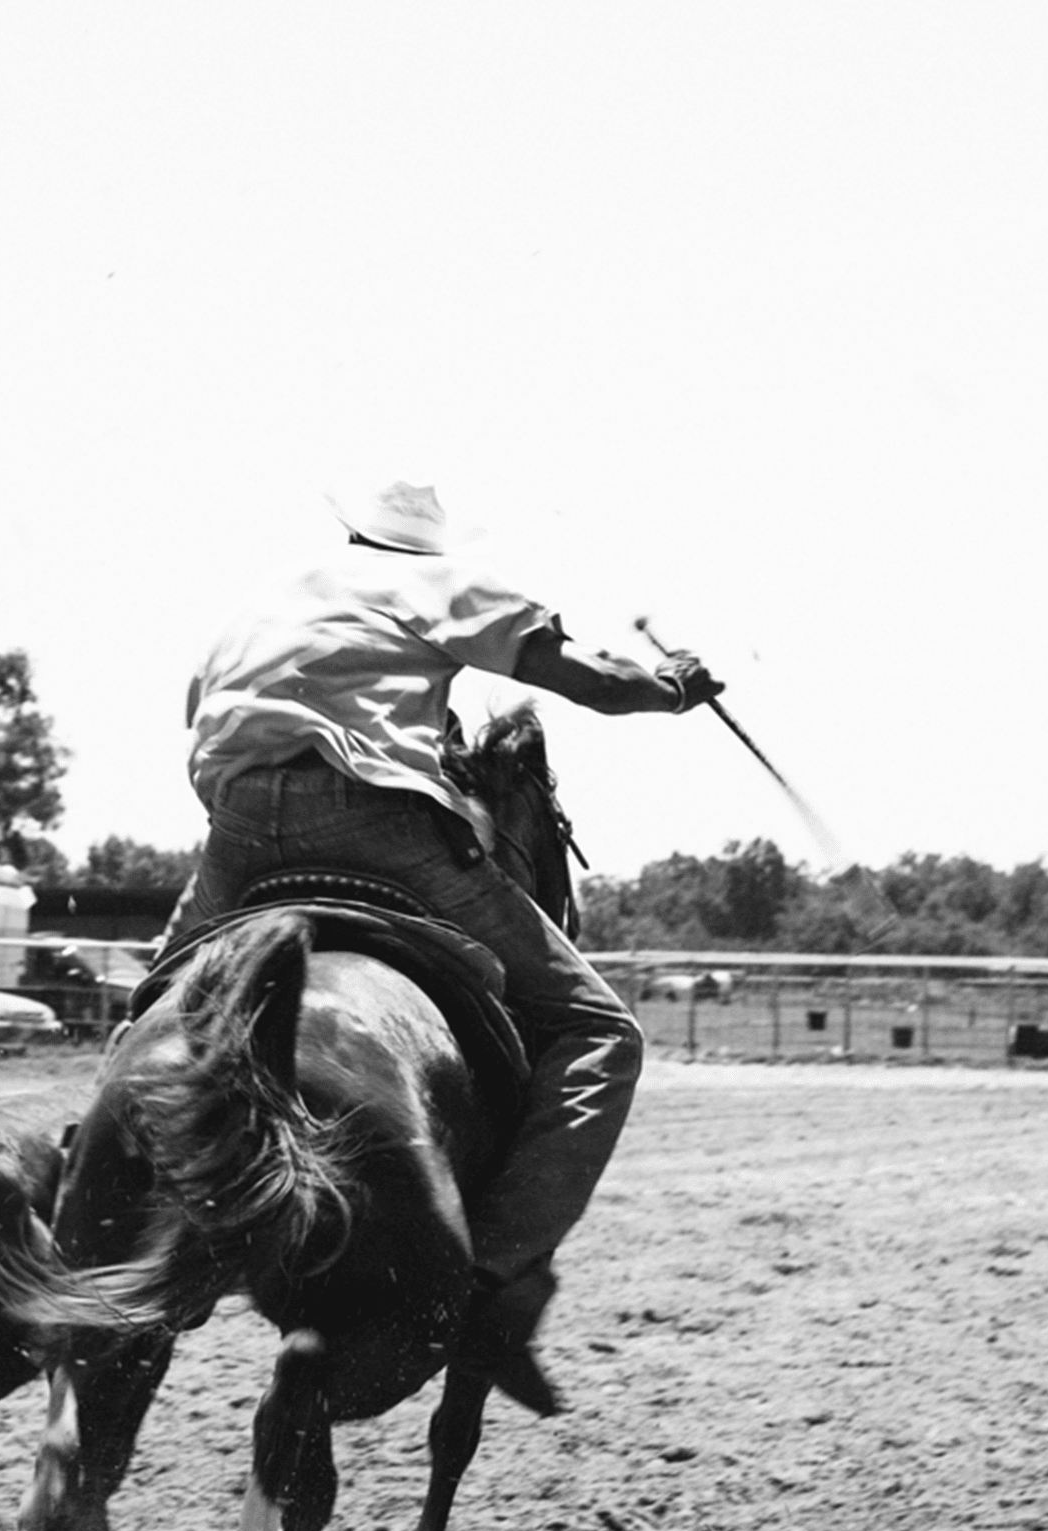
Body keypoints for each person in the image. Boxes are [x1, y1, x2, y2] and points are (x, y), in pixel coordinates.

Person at [166, 480, 722, 1410]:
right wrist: (672, 688)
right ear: (428, 549)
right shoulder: (442, 583)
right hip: (373, 821)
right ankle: (490, 1280)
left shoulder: (266, 596)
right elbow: (590, 679)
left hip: (233, 825)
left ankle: (97, 1213)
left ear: (351, 529)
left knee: (159, 1009)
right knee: (600, 1032)